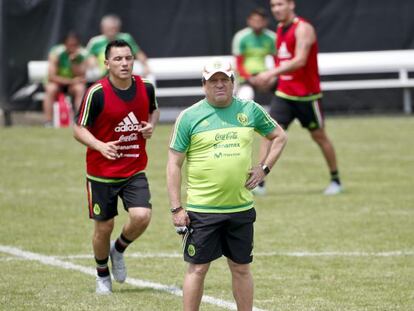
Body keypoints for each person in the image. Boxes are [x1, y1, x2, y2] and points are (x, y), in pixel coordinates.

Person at [166, 58, 287, 310]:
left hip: (240, 208)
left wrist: (264, 168)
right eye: (213, 81)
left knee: (241, 268)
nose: (219, 85)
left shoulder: (249, 110)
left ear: (233, 83)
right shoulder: (189, 117)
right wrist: (177, 208)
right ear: (204, 85)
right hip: (202, 210)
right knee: (197, 268)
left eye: (224, 80)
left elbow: (279, 136)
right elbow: (173, 164)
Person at [73, 39, 160, 294]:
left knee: (142, 216)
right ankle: (102, 274)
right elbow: (78, 128)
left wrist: (150, 125)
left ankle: (118, 249)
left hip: (134, 168)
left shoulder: (146, 88)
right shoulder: (96, 92)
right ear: (107, 63)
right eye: (118, 59)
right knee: (104, 227)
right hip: (101, 173)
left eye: (128, 58)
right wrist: (100, 145)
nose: (124, 63)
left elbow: (153, 111)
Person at [253, 0, 342, 195]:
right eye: (273, 5)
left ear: (291, 4)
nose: (276, 9)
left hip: (306, 96)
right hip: (284, 94)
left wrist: (270, 73)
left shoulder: (303, 28)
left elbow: (300, 60)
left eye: (280, 4)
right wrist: (272, 79)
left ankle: (336, 180)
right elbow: (284, 60)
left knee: (319, 136)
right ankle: (259, 184)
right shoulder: (279, 28)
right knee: (268, 134)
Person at [42, 31, 87, 126]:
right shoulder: (56, 53)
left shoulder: (81, 55)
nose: (72, 47)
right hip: (58, 83)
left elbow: (81, 75)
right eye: (70, 45)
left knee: (80, 89)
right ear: (64, 44)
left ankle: (80, 121)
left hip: (72, 85)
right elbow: (52, 77)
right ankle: (48, 122)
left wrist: (74, 62)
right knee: (50, 89)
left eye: (75, 45)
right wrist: (70, 81)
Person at [232, 7, 277, 101]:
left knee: (284, 92)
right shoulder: (241, 37)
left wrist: (271, 76)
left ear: (266, 21)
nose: (257, 23)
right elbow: (239, 64)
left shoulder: (272, 37)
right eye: (254, 20)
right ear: (249, 21)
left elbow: (278, 62)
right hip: (245, 78)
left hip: (265, 76)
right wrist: (249, 78)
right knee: (245, 97)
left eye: (260, 20)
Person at [87, 14, 150, 80]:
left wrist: (145, 65)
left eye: (114, 28)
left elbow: (138, 52)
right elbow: (88, 56)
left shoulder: (126, 38)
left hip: (125, 72)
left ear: (118, 28)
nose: (111, 31)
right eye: (109, 28)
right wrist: (94, 65)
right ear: (102, 28)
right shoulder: (95, 42)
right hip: (104, 73)